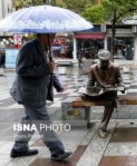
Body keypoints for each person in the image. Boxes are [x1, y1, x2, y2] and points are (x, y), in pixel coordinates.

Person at [9, 33, 72, 161]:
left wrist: (57, 85)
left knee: (28, 120)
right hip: (30, 93)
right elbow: (22, 70)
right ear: (43, 36)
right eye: (52, 37)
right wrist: (46, 67)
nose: (54, 39)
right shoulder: (28, 48)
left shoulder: (45, 49)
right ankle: (57, 151)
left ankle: (19, 147)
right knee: (44, 122)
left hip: (38, 92)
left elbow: (50, 69)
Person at [86, 49, 126, 138]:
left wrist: (122, 86)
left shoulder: (115, 67)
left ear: (109, 59)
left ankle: (102, 128)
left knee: (109, 104)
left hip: (111, 91)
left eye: (106, 61)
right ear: (99, 59)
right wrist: (88, 88)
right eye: (102, 61)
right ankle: (114, 100)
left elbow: (119, 80)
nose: (104, 63)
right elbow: (90, 83)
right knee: (83, 96)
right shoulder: (93, 68)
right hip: (100, 93)